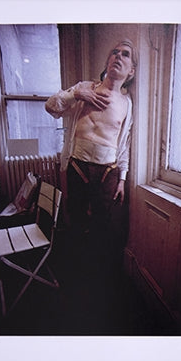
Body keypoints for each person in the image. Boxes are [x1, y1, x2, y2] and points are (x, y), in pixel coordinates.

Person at [45, 40, 136, 252]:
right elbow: (50, 107)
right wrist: (76, 95)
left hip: (107, 171)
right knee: (75, 219)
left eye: (125, 54)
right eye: (114, 52)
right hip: (78, 164)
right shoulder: (85, 88)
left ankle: (96, 266)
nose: (118, 56)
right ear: (107, 61)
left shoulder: (127, 104)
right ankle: (76, 265)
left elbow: (124, 145)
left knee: (102, 225)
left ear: (131, 71)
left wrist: (122, 180)